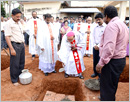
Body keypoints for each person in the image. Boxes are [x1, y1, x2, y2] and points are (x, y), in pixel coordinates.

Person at [96, 6, 129, 101]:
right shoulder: (122, 24)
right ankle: (108, 97)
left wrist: (101, 63)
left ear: (106, 16)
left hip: (112, 61)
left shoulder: (112, 26)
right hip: (120, 60)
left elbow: (109, 48)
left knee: (107, 85)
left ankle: (106, 98)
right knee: (112, 84)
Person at [4, 8, 25, 86]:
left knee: (21, 62)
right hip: (15, 45)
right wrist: (12, 49)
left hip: (21, 44)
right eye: (17, 16)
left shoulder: (19, 22)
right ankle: (14, 80)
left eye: (20, 16)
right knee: (15, 63)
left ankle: (20, 76)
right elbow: (7, 37)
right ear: (12, 15)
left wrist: (23, 43)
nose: (19, 18)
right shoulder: (8, 24)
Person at [91, 13, 106, 79]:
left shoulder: (106, 27)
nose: (98, 21)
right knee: (95, 60)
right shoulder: (95, 27)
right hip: (95, 46)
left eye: (99, 19)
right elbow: (92, 37)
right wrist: (95, 45)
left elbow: (106, 38)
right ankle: (95, 72)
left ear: (103, 18)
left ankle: (100, 75)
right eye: (97, 20)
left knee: (101, 61)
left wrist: (99, 46)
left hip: (102, 47)